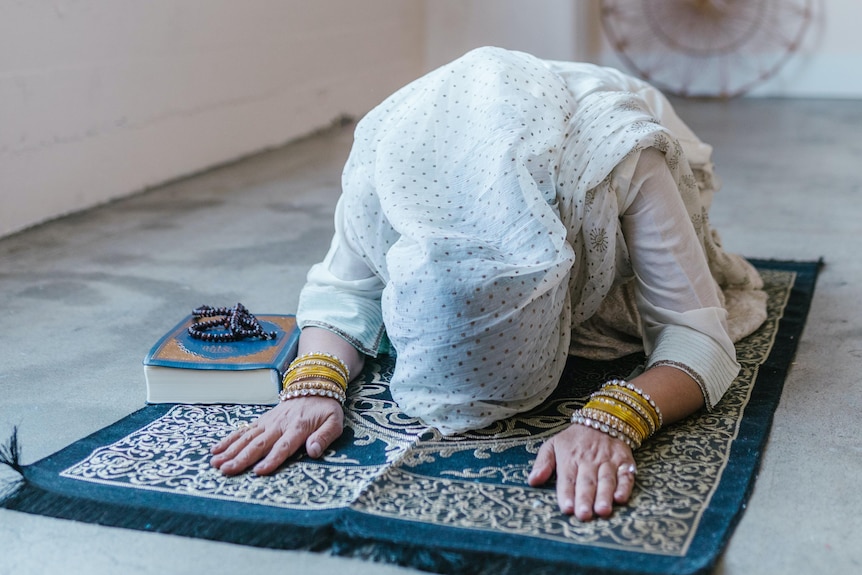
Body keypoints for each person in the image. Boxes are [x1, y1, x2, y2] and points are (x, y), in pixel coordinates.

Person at [210, 47, 767, 522]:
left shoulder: (627, 159)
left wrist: (616, 420)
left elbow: (697, 332)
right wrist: (313, 386)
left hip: (607, 119)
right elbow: (344, 290)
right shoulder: (387, 169)